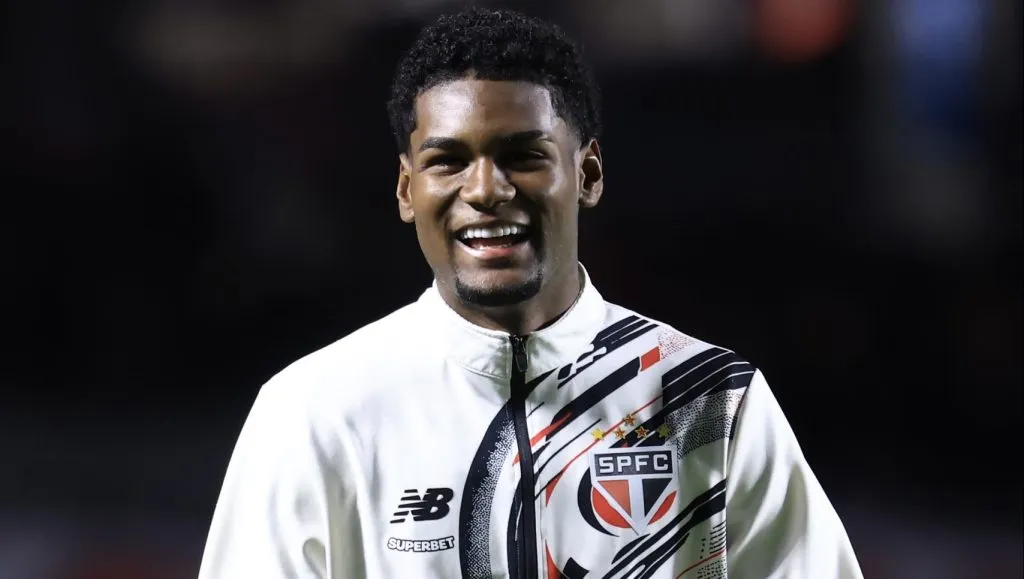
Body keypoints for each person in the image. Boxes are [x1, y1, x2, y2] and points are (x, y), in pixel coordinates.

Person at [198, 7, 863, 579]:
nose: (485, 189)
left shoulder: (710, 399)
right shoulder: (316, 410)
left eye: (523, 155)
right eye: (448, 161)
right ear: (407, 189)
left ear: (589, 173)